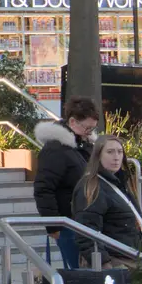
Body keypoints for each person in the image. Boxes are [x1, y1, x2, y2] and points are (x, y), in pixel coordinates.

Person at [33, 96, 101, 270]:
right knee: (80, 271)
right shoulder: (56, 149)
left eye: (92, 128)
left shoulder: (82, 145)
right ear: (72, 121)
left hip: (84, 220)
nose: (89, 132)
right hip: (69, 222)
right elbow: (43, 189)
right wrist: (54, 226)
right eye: (87, 128)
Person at [72, 135, 142, 267]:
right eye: (110, 152)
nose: (116, 157)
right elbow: (86, 231)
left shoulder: (119, 183)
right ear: (98, 155)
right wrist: (104, 262)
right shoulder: (92, 186)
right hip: (113, 261)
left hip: (132, 257)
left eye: (120, 151)